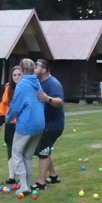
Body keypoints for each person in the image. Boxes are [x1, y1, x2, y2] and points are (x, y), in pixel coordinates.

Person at [5, 59, 45, 194]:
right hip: (39, 123)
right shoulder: (37, 83)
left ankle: (23, 185)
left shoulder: (22, 85)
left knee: (16, 153)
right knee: (27, 155)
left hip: (27, 124)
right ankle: (27, 184)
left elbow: (16, 105)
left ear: (22, 70)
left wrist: (8, 118)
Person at [33, 58, 65, 190]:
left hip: (54, 125)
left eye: (36, 66)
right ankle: (53, 176)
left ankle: (41, 183)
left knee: (43, 151)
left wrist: (48, 99)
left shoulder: (53, 83)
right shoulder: (40, 82)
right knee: (44, 149)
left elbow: (59, 101)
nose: (34, 68)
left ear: (44, 70)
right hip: (46, 124)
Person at [0, 64, 23, 185]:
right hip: (10, 123)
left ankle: (22, 176)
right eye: (14, 75)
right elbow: (4, 103)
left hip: (22, 124)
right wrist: (1, 116)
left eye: (19, 75)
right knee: (9, 149)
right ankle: (11, 176)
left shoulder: (25, 88)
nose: (17, 77)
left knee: (20, 151)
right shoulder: (8, 88)